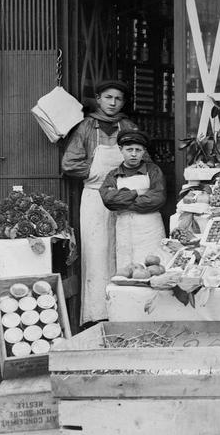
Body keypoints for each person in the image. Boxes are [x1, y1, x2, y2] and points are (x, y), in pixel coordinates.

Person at [61, 79, 138, 326]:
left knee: (124, 250)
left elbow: (142, 156)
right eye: (108, 97)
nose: (113, 103)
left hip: (124, 195)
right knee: (96, 254)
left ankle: (125, 312)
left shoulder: (128, 126)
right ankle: (97, 314)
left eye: (118, 99)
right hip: (95, 197)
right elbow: (69, 163)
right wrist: (95, 171)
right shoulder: (86, 127)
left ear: (123, 102)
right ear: (98, 99)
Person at [99, 129, 170, 269]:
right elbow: (108, 199)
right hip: (124, 229)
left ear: (144, 151)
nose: (133, 154)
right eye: (129, 149)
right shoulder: (113, 175)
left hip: (150, 229)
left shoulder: (153, 170)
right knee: (127, 269)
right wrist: (137, 193)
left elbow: (157, 198)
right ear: (121, 149)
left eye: (138, 150)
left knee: (153, 268)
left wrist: (122, 201)